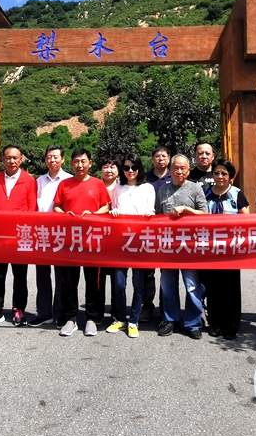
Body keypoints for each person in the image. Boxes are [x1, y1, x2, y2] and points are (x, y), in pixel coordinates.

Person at [54, 148, 111, 337]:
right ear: (71, 164)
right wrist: (65, 214)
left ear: (90, 163)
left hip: (92, 240)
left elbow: (106, 206)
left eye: (83, 161)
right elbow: (56, 207)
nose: (80, 165)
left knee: (93, 281)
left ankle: (91, 318)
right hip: (70, 240)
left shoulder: (98, 184)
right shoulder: (64, 184)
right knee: (69, 282)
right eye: (76, 161)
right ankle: (71, 318)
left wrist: (93, 214)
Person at [156, 154, 208, 339]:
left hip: (189, 247)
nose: (179, 171)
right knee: (167, 286)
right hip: (168, 247)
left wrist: (187, 210)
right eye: (176, 168)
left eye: (183, 168)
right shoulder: (163, 190)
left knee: (192, 286)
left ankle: (193, 322)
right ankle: (170, 320)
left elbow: (205, 214)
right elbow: (158, 215)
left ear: (188, 170)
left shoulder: (195, 189)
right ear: (170, 170)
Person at [0, 145, 37, 327]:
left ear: (21, 159)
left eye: (15, 158)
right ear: (2, 159)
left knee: (20, 275)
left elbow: (32, 208)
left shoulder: (29, 181)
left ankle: (18, 309)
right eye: (8, 157)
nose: (12, 161)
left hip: (20, 236)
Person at [108, 153, 155, 338]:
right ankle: (120, 319)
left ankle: (133, 321)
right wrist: (114, 211)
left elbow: (151, 210)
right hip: (121, 242)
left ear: (139, 168)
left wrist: (148, 214)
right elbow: (114, 208)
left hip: (139, 242)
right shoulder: (118, 188)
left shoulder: (147, 188)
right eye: (126, 167)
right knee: (119, 284)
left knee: (138, 284)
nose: (130, 171)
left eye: (133, 167)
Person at [202, 158, 248, 340]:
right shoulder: (205, 192)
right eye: (216, 173)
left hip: (231, 250)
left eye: (224, 173)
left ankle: (231, 325)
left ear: (230, 176)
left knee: (231, 288)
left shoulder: (237, 194)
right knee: (213, 288)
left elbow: (247, 220)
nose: (220, 176)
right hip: (210, 248)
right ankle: (215, 323)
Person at [28, 145, 72, 328]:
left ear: (62, 159)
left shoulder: (70, 180)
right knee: (42, 275)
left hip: (62, 233)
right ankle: (44, 313)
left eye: (55, 157)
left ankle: (60, 312)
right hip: (42, 232)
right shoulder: (38, 181)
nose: (52, 160)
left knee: (62, 276)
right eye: (49, 157)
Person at [142, 145, 170, 320]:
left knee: (167, 271)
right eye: (157, 156)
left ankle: (165, 307)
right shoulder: (145, 178)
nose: (160, 159)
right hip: (148, 230)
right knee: (148, 271)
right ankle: (147, 306)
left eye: (164, 156)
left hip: (169, 231)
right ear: (152, 159)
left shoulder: (174, 176)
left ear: (169, 158)